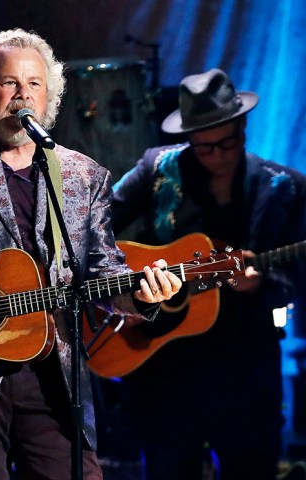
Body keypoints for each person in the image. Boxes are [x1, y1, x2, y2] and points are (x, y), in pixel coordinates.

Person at [0, 28, 181, 480]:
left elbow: (104, 272)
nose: (23, 95)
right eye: (9, 83)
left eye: (34, 84)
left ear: (49, 96)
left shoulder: (83, 175)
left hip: (52, 370)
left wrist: (143, 297)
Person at [111, 68, 306, 479]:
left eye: (227, 143)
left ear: (243, 125)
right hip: (164, 368)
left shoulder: (284, 188)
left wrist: (263, 285)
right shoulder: (157, 169)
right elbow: (93, 229)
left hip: (246, 370)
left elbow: (300, 278)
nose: (217, 155)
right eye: (203, 148)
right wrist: (128, 294)